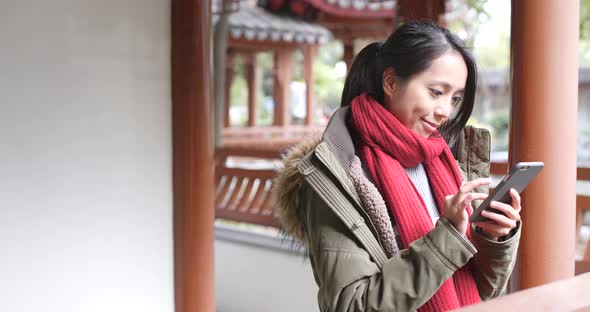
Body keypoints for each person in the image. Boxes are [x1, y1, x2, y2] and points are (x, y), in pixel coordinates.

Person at [273, 21, 521, 312]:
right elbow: (353, 305)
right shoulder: (338, 174)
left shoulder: (447, 160)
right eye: (435, 92)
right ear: (391, 82)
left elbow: (483, 288)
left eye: (454, 98)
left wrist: (493, 238)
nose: (445, 111)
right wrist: (448, 237)